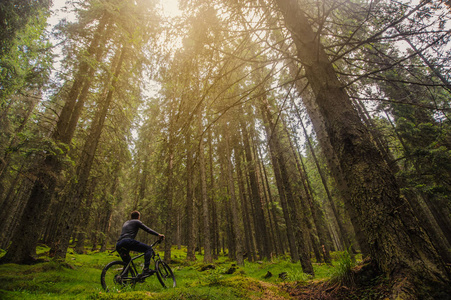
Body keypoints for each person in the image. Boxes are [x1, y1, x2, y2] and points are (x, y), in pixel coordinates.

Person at [116, 210, 164, 276]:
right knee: (148, 249)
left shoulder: (126, 222)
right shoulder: (137, 221)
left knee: (127, 263)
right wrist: (158, 234)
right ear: (138, 217)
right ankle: (146, 269)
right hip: (127, 241)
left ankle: (123, 281)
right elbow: (147, 229)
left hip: (119, 244)